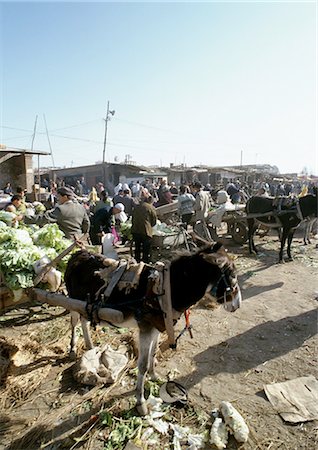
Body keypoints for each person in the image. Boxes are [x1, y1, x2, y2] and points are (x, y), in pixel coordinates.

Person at [26, 187, 90, 240]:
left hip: (67, 241)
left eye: (58, 197)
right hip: (79, 238)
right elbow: (86, 223)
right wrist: (84, 234)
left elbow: (44, 219)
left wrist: (25, 218)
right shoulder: (80, 207)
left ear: (65, 197)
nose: (57, 199)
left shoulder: (61, 209)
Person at [131, 196, 157, 263]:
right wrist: (151, 226)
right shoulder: (150, 207)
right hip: (145, 230)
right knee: (146, 248)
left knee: (137, 247)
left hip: (135, 229)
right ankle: (145, 261)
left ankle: (137, 260)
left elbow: (133, 218)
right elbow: (154, 219)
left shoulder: (136, 207)